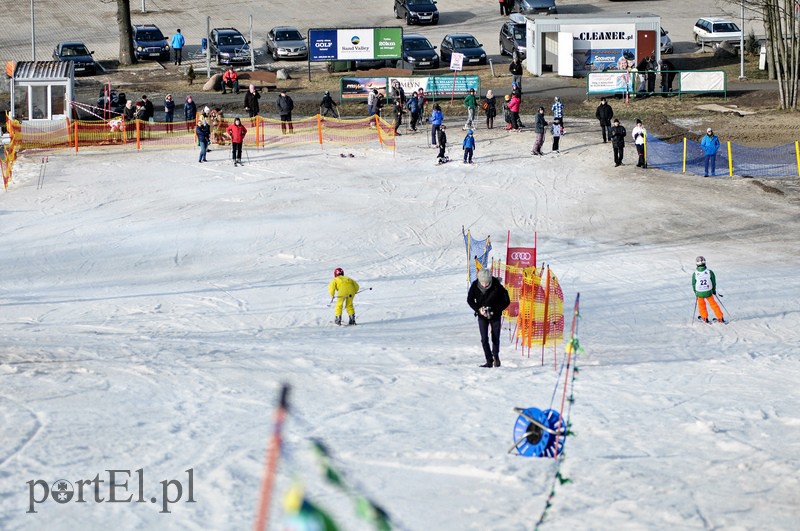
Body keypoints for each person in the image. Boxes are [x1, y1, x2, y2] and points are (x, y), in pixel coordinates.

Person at [467, 268, 511, 367]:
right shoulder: (474, 285)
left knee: (495, 337)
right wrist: (479, 309)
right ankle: (489, 360)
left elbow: (506, 301)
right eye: (482, 282)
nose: (485, 284)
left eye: (487, 282)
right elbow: (469, 300)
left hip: (495, 315)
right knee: (484, 339)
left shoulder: (497, 286)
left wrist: (495, 310)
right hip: (482, 316)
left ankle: (496, 356)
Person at [692, 256, 724, 323]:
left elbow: (693, 284)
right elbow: (713, 282)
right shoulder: (709, 272)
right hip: (708, 291)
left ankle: (704, 317)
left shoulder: (695, 274)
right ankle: (720, 317)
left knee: (701, 305)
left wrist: (696, 292)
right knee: (713, 304)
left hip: (699, 292)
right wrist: (713, 290)